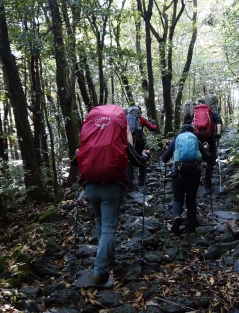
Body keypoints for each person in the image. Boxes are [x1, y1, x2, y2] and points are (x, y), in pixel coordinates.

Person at [75, 105, 150, 283]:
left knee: (99, 221)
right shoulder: (121, 143)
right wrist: (146, 156)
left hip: (90, 186)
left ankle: (107, 256)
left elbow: (75, 159)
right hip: (111, 187)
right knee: (109, 226)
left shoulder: (88, 143)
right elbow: (138, 161)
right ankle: (101, 270)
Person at [162, 124, 212, 236]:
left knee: (177, 199)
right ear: (192, 132)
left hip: (177, 174)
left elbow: (164, 159)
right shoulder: (196, 140)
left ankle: (177, 216)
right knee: (191, 201)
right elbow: (208, 158)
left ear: (181, 131)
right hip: (193, 174)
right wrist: (206, 148)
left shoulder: (176, 140)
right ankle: (191, 230)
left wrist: (167, 149)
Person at [126, 106, 158, 190]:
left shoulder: (125, 119)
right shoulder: (141, 119)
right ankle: (142, 181)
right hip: (140, 144)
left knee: (129, 162)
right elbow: (153, 128)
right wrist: (155, 123)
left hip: (129, 144)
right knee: (142, 159)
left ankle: (129, 184)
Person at [196, 97, 222, 188]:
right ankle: (207, 181)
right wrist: (218, 134)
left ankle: (197, 179)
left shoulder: (196, 113)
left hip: (197, 138)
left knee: (197, 157)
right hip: (209, 137)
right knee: (210, 159)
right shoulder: (213, 113)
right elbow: (219, 122)